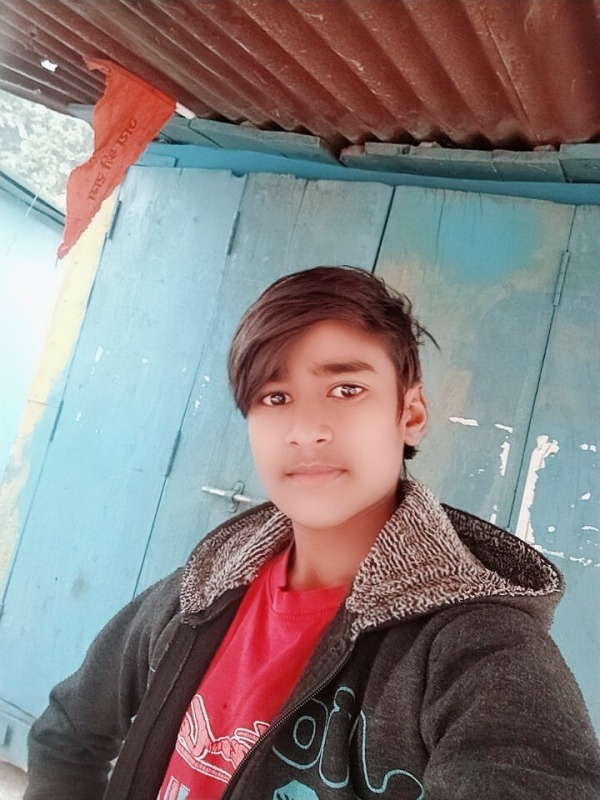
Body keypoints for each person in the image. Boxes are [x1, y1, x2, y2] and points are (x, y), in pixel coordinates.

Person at [25, 266, 600, 800]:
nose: (305, 429)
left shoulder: (481, 653)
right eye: (275, 397)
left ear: (411, 414)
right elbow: (66, 734)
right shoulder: (197, 594)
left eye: (346, 389)